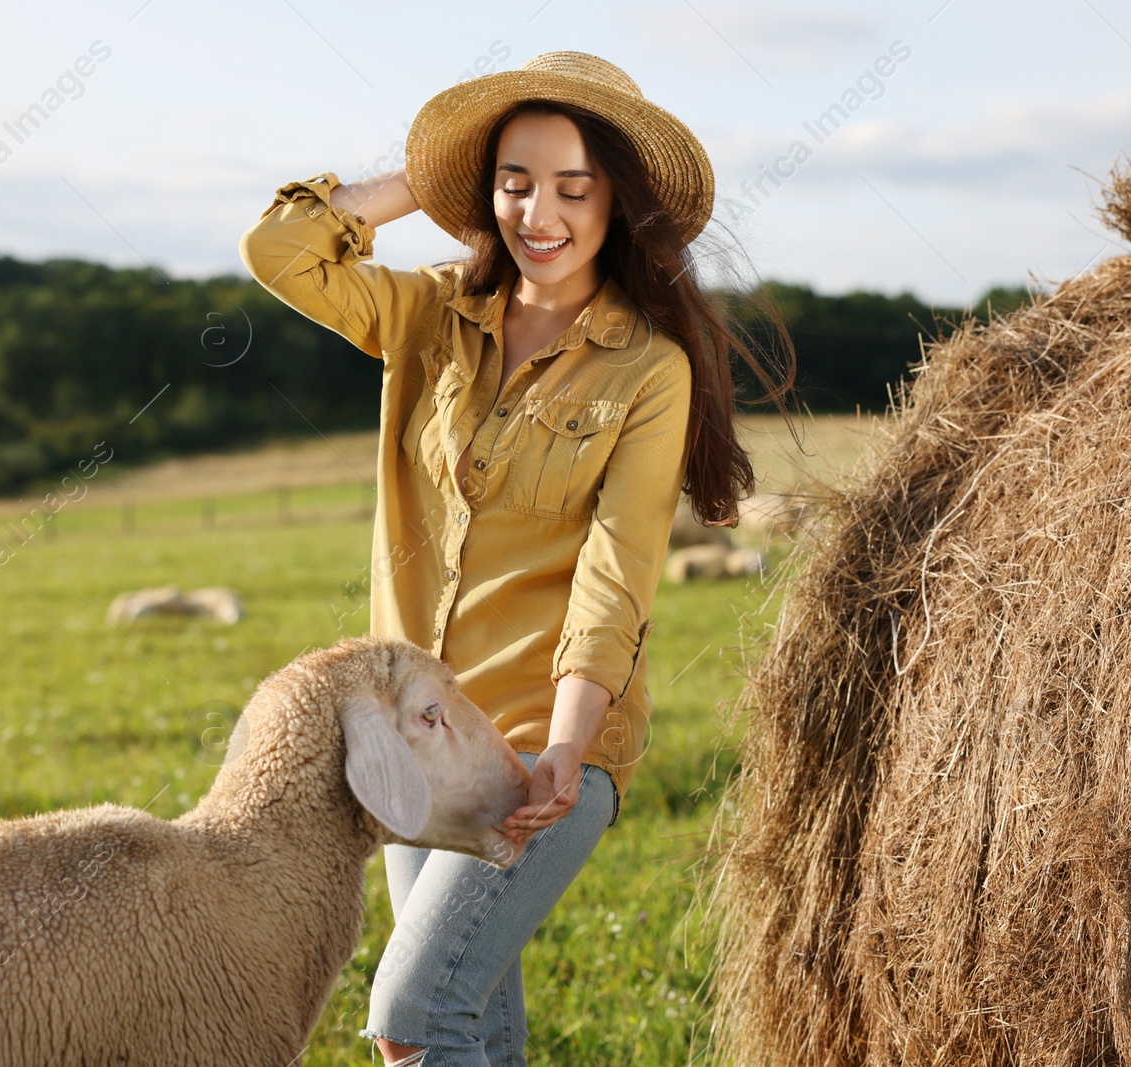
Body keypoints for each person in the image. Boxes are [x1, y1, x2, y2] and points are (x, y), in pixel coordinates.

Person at [238, 50, 793, 1067]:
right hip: (425, 735)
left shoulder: (647, 368)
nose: (540, 212)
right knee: (477, 1027)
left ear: (618, 203)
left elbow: (616, 573)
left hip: (544, 741)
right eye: (515, 180)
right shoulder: (428, 314)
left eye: (574, 188)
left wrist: (566, 750)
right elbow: (281, 250)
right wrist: (430, 178)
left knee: (412, 1015)